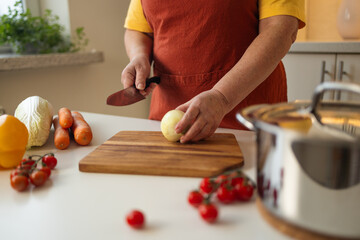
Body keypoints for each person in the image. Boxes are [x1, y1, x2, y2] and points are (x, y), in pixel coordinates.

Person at [121, 0, 305, 143]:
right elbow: (139, 29)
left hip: (246, 122)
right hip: (166, 120)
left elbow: (281, 29)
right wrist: (139, 56)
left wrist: (222, 97)